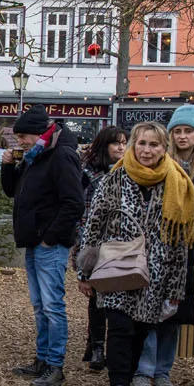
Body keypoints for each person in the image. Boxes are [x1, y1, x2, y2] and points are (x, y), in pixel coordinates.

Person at [74, 121, 194, 386]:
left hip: (156, 274)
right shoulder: (113, 180)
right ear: (133, 146)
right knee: (121, 331)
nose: (147, 150)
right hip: (118, 269)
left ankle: (125, 382)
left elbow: (180, 239)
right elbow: (93, 226)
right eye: (142, 143)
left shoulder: (176, 183)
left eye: (154, 145)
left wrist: (176, 286)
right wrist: (84, 271)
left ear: (163, 148)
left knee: (141, 335)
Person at [134, 105, 194, 386]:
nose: (182, 136)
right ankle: (144, 370)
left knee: (173, 312)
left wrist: (181, 215)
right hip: (150, 248)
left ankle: (163, 370)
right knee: (147, 310)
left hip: (183, 251)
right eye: (178, 131)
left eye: (188, 131)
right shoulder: (156, 164)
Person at [0, 105, 84, 386]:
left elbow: (74, 202)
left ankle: (55, 365)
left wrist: (51, 235)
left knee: (52, 306)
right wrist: (7, 166)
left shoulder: (60, 155)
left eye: (23, 136)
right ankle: (43, 359)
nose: (20, 142)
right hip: (35, 240)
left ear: (38, 134)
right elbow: (13, 191)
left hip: (49, 242)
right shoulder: (37, 155)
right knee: (40, 306)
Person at [78, 125, 127, 371]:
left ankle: (101, 345)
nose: (121, 147)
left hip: (122, 240)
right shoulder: (89, 173)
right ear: (104, 146)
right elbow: (84, 212)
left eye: (124, 142)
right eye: (116, 143)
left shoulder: (129, 172)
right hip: (95, 239)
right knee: (96, 293)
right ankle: (97, 345)